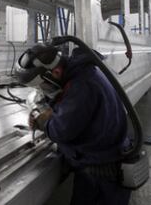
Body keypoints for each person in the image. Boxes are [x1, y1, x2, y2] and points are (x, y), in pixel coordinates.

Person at [16, 44, 131, 205]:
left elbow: (61, 130)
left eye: (43, 85)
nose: (43, 89)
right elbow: (71, 105)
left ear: (55, 72)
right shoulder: (82, 72)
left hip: (100, 178)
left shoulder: (82, 86)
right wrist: (52, 110)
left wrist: (43, 122)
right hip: (106, 163)